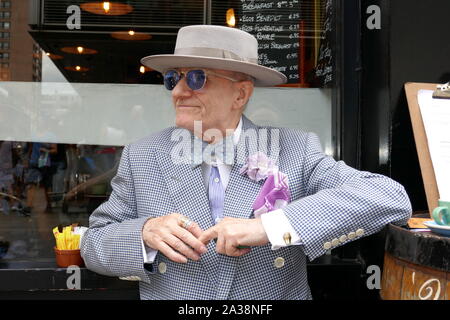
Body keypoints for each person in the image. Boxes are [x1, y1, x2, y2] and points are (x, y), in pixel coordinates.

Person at [81, 25, 412, 300]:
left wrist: (268, 227)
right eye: (173, 78)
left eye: (196, 78)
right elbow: (94, 243)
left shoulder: (295, 149)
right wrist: (144, 232)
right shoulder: (142, 155)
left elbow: (388, 197)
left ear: (240, 94)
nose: (178, 92)